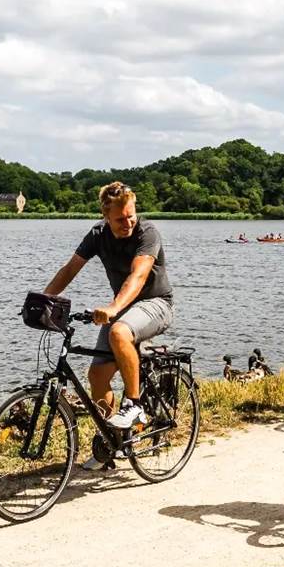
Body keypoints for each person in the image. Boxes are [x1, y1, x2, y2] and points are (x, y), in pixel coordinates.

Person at [42, 181, 174, 465]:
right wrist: (45, 299)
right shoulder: (97, 235)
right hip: (123, 308)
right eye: (119, 219)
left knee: (118, 331)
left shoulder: (147, 232)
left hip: (156, 304)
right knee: (97, 377)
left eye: (131, 215)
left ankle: (134, 405)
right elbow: (70, 268)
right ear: (105, 215)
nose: (127, 222)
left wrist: (113, 307)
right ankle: (113, 440)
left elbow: (138, 276)